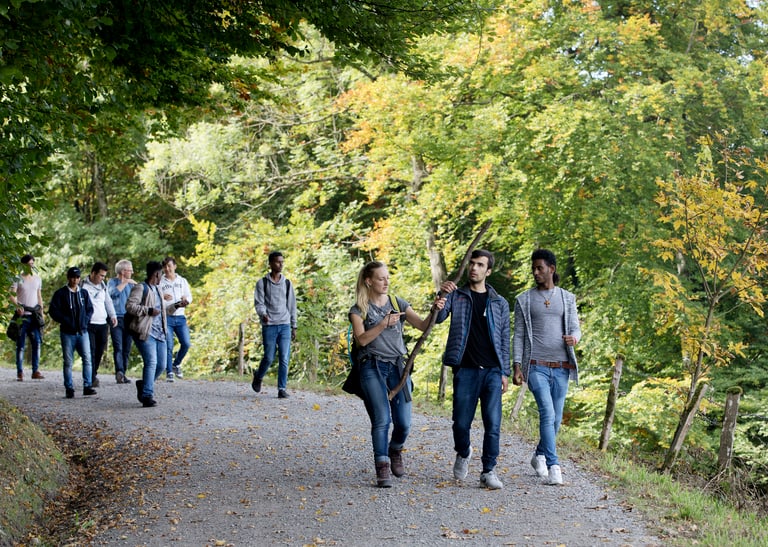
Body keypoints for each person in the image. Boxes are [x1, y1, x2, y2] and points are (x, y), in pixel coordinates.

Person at [349, 260, 445, 487]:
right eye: (381, 278)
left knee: (403, 423)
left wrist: (434, 310)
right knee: (382, 419)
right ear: (369, 281)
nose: (386, 282)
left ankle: (395, 450)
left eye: (387, 277)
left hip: (398, 368)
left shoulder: (397, 303)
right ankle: (381, 468)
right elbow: (361, 340)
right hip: (372, 367)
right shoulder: (358, 310)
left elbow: (422, 325)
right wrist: (383, 324)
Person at [436, 249, 510, 490]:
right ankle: (463, 451)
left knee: (493, 423)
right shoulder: (457, 296)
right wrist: (441, 296)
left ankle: (488, 470)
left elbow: (504, 339)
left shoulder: (499, 303)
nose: (474, 268)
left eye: (480, 265)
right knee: (460, 422)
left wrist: (504, 372)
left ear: (488, 271)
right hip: (466, 369)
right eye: (472, 264)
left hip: (491, 371)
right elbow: (437, 318)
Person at [512, 249, 581, 486]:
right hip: (536, 366)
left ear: (551, 268)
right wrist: (517, 365)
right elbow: (518, 335)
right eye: (534, 268)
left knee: (557, 418)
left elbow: (576, 328)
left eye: (540, 268)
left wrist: (575, 338)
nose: (535, 272)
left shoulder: (567, 298)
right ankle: (554, 466)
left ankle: (539, 455)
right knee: (547, 412)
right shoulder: (525, 299)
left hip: (561, 366)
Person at [127, 261, 184, 408]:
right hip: (146, 332)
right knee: (151, 362)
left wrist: (176, 305)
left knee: (161, 365)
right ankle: (147, 395)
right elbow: (130, 306)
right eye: (161, 274)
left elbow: (163, 311)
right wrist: (148, 310)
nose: (162, 277)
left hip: (161, 333)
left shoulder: (158, 289)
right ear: (156, 274)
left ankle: (144, 384)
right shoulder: (141, 288)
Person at [251, 251, 297, 399]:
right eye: (277, 262)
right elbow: (259, 303)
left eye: (282, 262)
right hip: (269, 325)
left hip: (284, 325)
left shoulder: (287, 283)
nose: (280, 264)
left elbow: (292, 306)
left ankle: (281, 389)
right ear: (270, 264)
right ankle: (258, 376)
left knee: (284, 357)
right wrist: (263, 314)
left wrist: (293, 326)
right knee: (269, 357)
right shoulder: (262, 283)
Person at [48, 267, 97, 399]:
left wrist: (85, 321)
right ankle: (69, 388)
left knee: (87, 358)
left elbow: (89, 309)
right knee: (68, 361)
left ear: (79, 279)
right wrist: (65, 320)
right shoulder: (61, 294)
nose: (75, 280)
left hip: (82, 331)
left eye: (77, 277)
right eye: (72, 277)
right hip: (67, 332)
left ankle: (87, 386)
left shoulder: (84, 293)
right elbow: (53, 311)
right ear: (68, 278)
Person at [81, 262, 118, 387]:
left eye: (104, 276)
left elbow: (108, 301)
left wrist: (113, 315)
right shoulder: (83, 286)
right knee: (90, 350)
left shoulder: (103, 286)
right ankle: (90, 378)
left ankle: (93, 373)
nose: (102, 278)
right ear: (93, 273)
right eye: (100, 275)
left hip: (102, 323)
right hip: (89, 324)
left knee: (99, 351)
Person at [9, 254, 45, 381]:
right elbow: (12, 295)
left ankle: (35, 371)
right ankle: (20, 372)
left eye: (32, 264)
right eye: (29, 264)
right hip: (22, 316)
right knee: (21, 344)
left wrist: (41, 311)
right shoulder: (17, 278)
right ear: (23, 265)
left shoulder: (37, 279)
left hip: (34, 315)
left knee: (37, 342)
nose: (31, 266)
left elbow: (39, 296)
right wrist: (17, 306)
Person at [160, 257, 192, 381]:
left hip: (180, 316)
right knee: (168, 345)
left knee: (186, 343)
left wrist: (186, 300)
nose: (167, 269)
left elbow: (189, 296)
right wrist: (162, 296)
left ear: (175, 266)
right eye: (165, 267)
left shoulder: (182, 281)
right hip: (167, 317)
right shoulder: (160, 282)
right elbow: (155, 298)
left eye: (169, 266)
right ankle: (169, 372)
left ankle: (176, 364)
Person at [108, 259, 136, 384]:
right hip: (116, 318)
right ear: (123, 271)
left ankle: (123, 373)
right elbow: (111, 294)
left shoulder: (132, 284)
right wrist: (124, 283)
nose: (132, 272)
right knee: (118, 346)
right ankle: (119, 371)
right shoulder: (112, 282)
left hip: (129, 319)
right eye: (130, 270)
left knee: (127, 348)